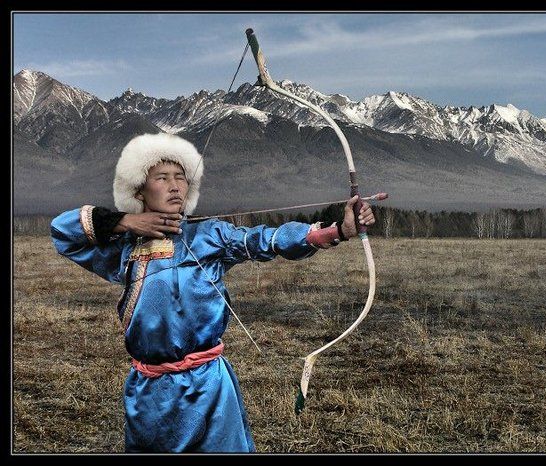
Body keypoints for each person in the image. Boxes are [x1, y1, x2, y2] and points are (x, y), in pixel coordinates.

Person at [50, 132, 376, 452]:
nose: (175, 185)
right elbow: (63, 232)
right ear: (139, 190)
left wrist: (339, 231)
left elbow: (265, 240)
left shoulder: (209, 235)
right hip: (151, 390)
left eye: (181, 177)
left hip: (209, 384)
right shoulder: (123, 248)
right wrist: (126, 223)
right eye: (162, 178)